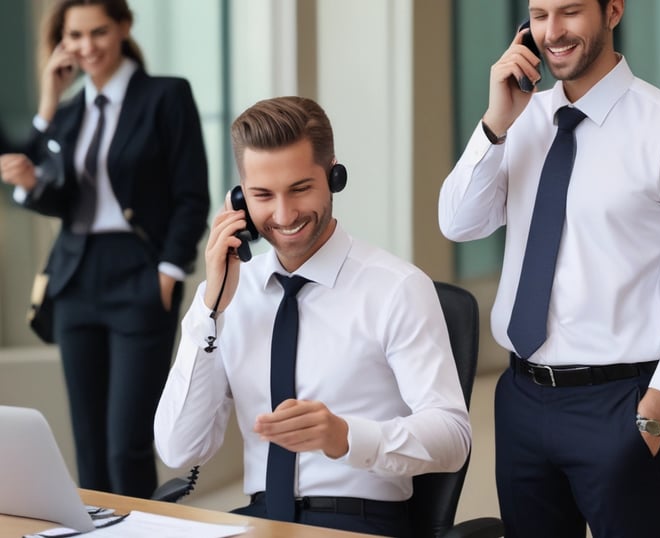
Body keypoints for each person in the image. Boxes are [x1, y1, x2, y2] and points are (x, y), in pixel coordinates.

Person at [438, 1, 660, 537]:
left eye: (571, 12)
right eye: (539, 13)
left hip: (620, 404)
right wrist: (494, 123)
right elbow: (460, 223)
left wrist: (654, 411)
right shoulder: (522, 119)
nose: (551, 32)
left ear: (613, 11)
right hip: (521, 399)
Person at [154, 96, 471, 537]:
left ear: (334, 176)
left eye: (301, 189)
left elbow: (453, 437)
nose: (284, 216)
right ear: (240, 200)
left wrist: (345, 436)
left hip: (360, 522)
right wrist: (210, 309)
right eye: (263, 195)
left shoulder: (396, 288)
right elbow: (178, 449)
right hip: (259, 521)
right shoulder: (230, 290)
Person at [0, 0, 209, 498]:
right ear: (62, 42)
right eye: (75, 36)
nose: (87, 46)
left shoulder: (166, 95)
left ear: (123, 27)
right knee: (90, 445)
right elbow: (50, 190)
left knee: (127, 445)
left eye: (98, 32)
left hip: (140, 272)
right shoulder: (69, 112)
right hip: (77, 277)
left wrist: (169, 270)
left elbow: (191, 194)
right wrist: (49, 101)